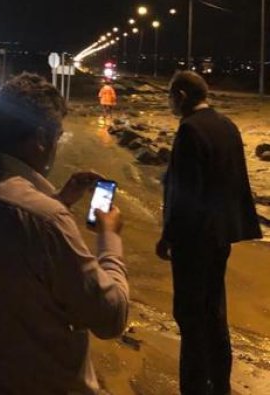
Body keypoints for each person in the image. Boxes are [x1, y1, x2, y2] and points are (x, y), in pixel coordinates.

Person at [0, 73, 129, 394]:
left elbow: (5, 244)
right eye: (58, 137)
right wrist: (109, 238)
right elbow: (111, 316)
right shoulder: (47, 221)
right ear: (40, 139)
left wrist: (58, 200)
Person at [156, 71, 261, 395]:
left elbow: (185, 195)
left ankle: (194, 387)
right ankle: (221, 385)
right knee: (214, 312)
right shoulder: (226, 125)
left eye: (171, 97)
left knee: (189, 316)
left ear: (182, 96)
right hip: (220, 237)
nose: (170, 104)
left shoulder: (190, 131)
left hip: (194, 241)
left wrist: (168, 237)